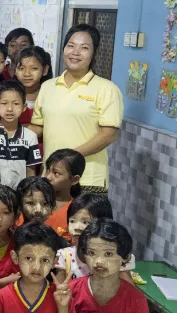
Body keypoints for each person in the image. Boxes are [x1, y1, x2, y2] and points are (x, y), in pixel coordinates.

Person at [29, 24, 123, 192]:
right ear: (64, 48)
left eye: (84, 48)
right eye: (71, 46)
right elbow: (38, 127)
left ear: (94, 53)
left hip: (88, 179)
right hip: (51, 177)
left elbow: (108, 134)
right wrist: (8, 130)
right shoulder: (48, 86)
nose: (75, 52)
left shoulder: (107, 89)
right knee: (49, 219)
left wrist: (68, 159)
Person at [54, 194, 136, 281]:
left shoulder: (117, 257)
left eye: (86, 222)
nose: (77, 227)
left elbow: (128, 290)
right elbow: (59, 290)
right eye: (72, 221)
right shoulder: (64, 256)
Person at [0, 80, 41, 188]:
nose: (10, 109)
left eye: (16, 104)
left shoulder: (30, 137)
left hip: (19, 194)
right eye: (4, 103)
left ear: (24, 107)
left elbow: (30, 172)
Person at [44, 149, 85, 238]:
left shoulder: (78, 211)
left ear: (74, 180)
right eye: (47, 170)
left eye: (56, 173)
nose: (48, 177)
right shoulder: (33, 203)